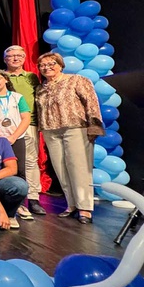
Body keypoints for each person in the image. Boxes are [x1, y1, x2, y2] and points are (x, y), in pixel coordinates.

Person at [35, 52, 104, 224]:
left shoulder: (76, 80)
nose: (47, 67)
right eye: (43, 65)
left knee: (79, 168)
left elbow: (91, 102)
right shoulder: (41, 88)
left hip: (75, 127)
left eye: (51, 63)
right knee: (61, 168)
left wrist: (94, 125)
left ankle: (85, 208)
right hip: (51, 130)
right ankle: (72, 204)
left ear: (60, 65)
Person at [0, 69, 32, 220]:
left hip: (16, 138)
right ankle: (0, 204)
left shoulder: (17, 97)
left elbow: (26, 119)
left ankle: (20, 204)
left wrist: (14, 136)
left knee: (20, 170)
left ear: (6, 80)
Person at [4, 45, 46, 216]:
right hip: (6, 127)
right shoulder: (0, 77)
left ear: (24, 58)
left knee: (30, 161)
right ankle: (14, 198)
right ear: (5, 59)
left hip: (28, 124)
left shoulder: (32, 77)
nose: (15, 58)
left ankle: (33, 198)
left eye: (19, 56)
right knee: (9, 162)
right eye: (11, 56)